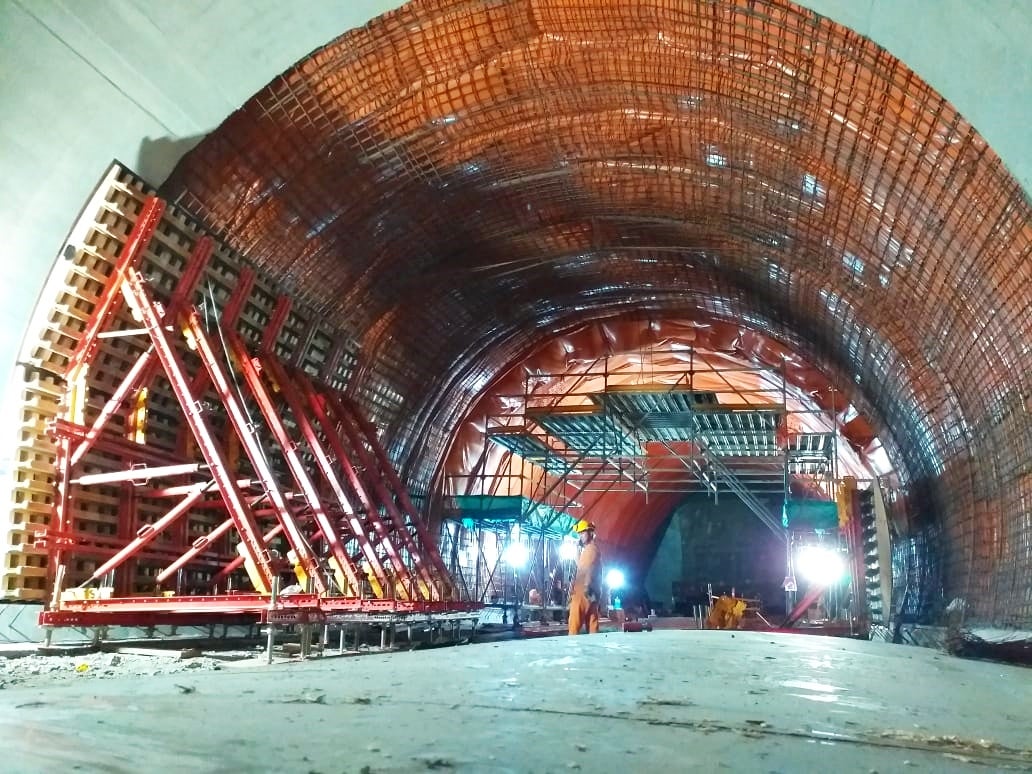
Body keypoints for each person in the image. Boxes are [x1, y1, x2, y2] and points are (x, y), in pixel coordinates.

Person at [568, 520, 602, 635]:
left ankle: (571, 649)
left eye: (583, 533)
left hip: (583, 592)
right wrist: (577, 551)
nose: (580, 536)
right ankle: (593, 650)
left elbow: (584, 571)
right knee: (592, 624)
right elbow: (582, 566)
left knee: (574, 625)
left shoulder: (591, 550)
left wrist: (583, 588)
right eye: (579, 534)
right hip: (591, 593)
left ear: (590, 533)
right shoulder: (591, 550)